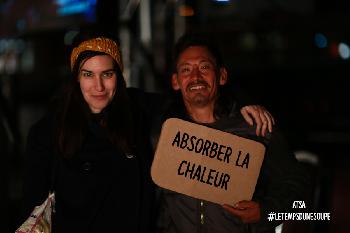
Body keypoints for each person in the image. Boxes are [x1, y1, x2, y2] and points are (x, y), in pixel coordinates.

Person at [20, 32, 275, 233]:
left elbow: (196, 96)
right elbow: (31, 209)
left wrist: (242, 106)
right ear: (76, 78)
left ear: (119, 76)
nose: (98, 86)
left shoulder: (140, 110)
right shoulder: (47, 132)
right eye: (88, 75)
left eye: (107, 74)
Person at [155, 34, 309, 233]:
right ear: (176, 81)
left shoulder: (256, 129)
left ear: (222, 76)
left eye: (204, 67)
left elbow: (299, 190)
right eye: (186, 69)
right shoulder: (161, 135)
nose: (195, 77)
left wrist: (266, 211)